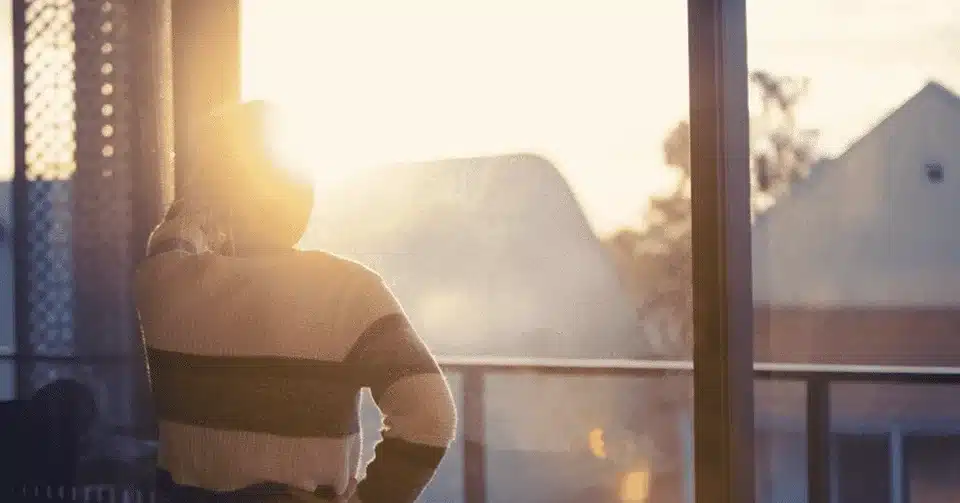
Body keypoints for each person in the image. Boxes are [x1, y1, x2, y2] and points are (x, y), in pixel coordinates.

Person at [134, 101, 457, 503]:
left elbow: (170, 237)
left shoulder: (165, 283)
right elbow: (431, 417)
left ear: (221, 197)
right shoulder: (350, 292)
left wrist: (203, 192)